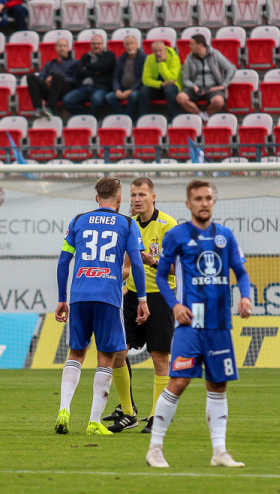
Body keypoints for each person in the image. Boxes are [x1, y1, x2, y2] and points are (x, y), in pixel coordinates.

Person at [145, 179, 253, 469]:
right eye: (198, 199)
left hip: (219, 325)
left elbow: (241, 272)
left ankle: (219, 452)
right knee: (178, 382)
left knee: (217, 385)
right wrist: (175, 305)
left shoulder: (226, 236)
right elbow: (160, 276)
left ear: (213, 202)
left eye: (208, 198)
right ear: (188, 204)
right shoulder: (177, 236)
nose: (204, 203)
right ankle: (155, 448)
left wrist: (246, 297)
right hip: (190, 324)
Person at [54, 177, 150, 436]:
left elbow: (64, 262)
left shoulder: (78, 221)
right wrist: (142, 299)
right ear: (119, 200)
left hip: (79, 295)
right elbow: (137, 265)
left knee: (76, 353)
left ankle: (64, 409)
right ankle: (94, 422)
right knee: (106, 358)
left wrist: (62, 298)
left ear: (96, 198)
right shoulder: (128, 223)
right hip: (108, 297)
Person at [102, 178, 177, 434]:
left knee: (159, 358)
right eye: (133, 194)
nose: (136, 199)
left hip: (160, 297)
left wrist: (153, 262)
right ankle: (129, 411)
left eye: (142, 194)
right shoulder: (128, 224)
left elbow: (179, 267)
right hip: (133, 296)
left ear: (153, 197)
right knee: (118, 352)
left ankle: (157, 415)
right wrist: (109, 278)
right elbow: (125, 267)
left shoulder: (168, 225)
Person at [176, 34, 236, 123]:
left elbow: (231, 68)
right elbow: (186, 79)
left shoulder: (215, 54)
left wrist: (224, 85)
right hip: (195, 87)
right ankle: (200, 116)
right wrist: (194, 86)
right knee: (180, 98)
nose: (190, 46)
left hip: (212, 87)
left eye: (192, 44)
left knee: (218, 102)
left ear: (200, 45)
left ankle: (206, 115)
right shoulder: (189, 58)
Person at [62, 34, 116, 117]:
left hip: (101, 87)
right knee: (67, 100)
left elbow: (104, 67)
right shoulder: (85, 57)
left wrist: (87, 66)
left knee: (96, 100)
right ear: (90, 45)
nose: (96, 46)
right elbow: (78, 72)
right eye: (94, 44)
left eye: (98, 43)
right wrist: (95, 71)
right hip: (84, 87)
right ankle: (88, 117)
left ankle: (90, 120)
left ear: (103, 44)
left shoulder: (110, 55)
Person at [25, 38, 77, 118]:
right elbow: (41, 77)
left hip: (65, 91)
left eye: (64, 46)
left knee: (57, 76)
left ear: (68, 48)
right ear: (56, 48)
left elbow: (75, 79)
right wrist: (46, 81)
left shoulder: (75, 63)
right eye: (59, 46)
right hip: (49, 90)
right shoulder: (49, 64)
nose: (62, 48)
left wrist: (57, 79)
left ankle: (50, 108)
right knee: (31, 77)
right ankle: (38, 108)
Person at [105, 35, 146, 120]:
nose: (130, 46)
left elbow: (143, 78)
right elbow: (115, 77)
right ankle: (125, 117)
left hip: (137, 89)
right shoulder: (120, 59)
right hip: (122, 89)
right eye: (127, 44)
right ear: (124, 46)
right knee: (109, 97)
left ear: (137, 44)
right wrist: (117, 89)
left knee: (133, 96)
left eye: (132, 43)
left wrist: (131, 90)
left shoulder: (144, 58)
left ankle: (127, 119)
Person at [139, 41, 182, 120]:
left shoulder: (174, 58)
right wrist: (161, 84)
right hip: (158, 86)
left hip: (173, 87)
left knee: (169, 89)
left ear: (165, 49)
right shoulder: (149, 58)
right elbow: (145, 79)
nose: (158, 53)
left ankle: (174, 118)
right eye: (156, 51)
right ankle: (144, 119)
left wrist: (161, 63)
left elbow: (172, 79)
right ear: (152, 51)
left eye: (160, 50)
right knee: (144, 90)